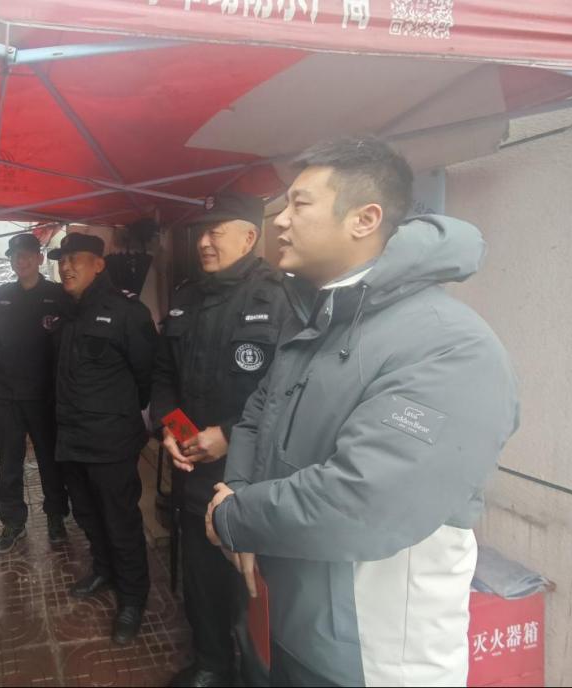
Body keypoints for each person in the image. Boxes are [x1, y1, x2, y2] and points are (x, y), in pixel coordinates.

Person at [207, 136, 520, 686]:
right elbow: (258, 415)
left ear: (364, 219)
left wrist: (233, 518)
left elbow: (361, 502)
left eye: (300, 203)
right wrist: (236, 493)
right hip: (290, 619)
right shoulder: (317, 322)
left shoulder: (449, 346)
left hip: (371, 659)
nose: (281, 219)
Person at [152, 191, 292, 687]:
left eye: (216, 231)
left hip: (253, 475)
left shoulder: (282, 298)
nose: (204, 242)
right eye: (201, 232)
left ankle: (255, 673)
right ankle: (212, 663)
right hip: (194, 469)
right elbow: (163, 376)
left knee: (254, 582)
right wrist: (175, 432)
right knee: (202, 577)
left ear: (250, 236)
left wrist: (231, 436)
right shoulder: (186, 298)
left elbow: (292, 392)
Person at [49, 232, 158, 645]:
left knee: (120, 521)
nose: (66, 267)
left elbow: (147, 376)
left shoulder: (128, 313)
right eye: (62, 260)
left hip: (110, 442)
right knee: (87, 514)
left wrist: (119, 417)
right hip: (70, 437)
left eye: (75, 259)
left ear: (98, 264)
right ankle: (104, 570)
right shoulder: (65, 313)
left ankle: (133, 598)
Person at [0, 233, 71, 554]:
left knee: (50, 460)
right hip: (7, 395)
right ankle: (13, 522)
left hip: (44, 396)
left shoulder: (57, 295)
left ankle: (56, 517)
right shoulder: (2, 295)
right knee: (9, 464)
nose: (22, 260)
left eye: (28, 255)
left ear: (40, 258)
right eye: (16, 255)